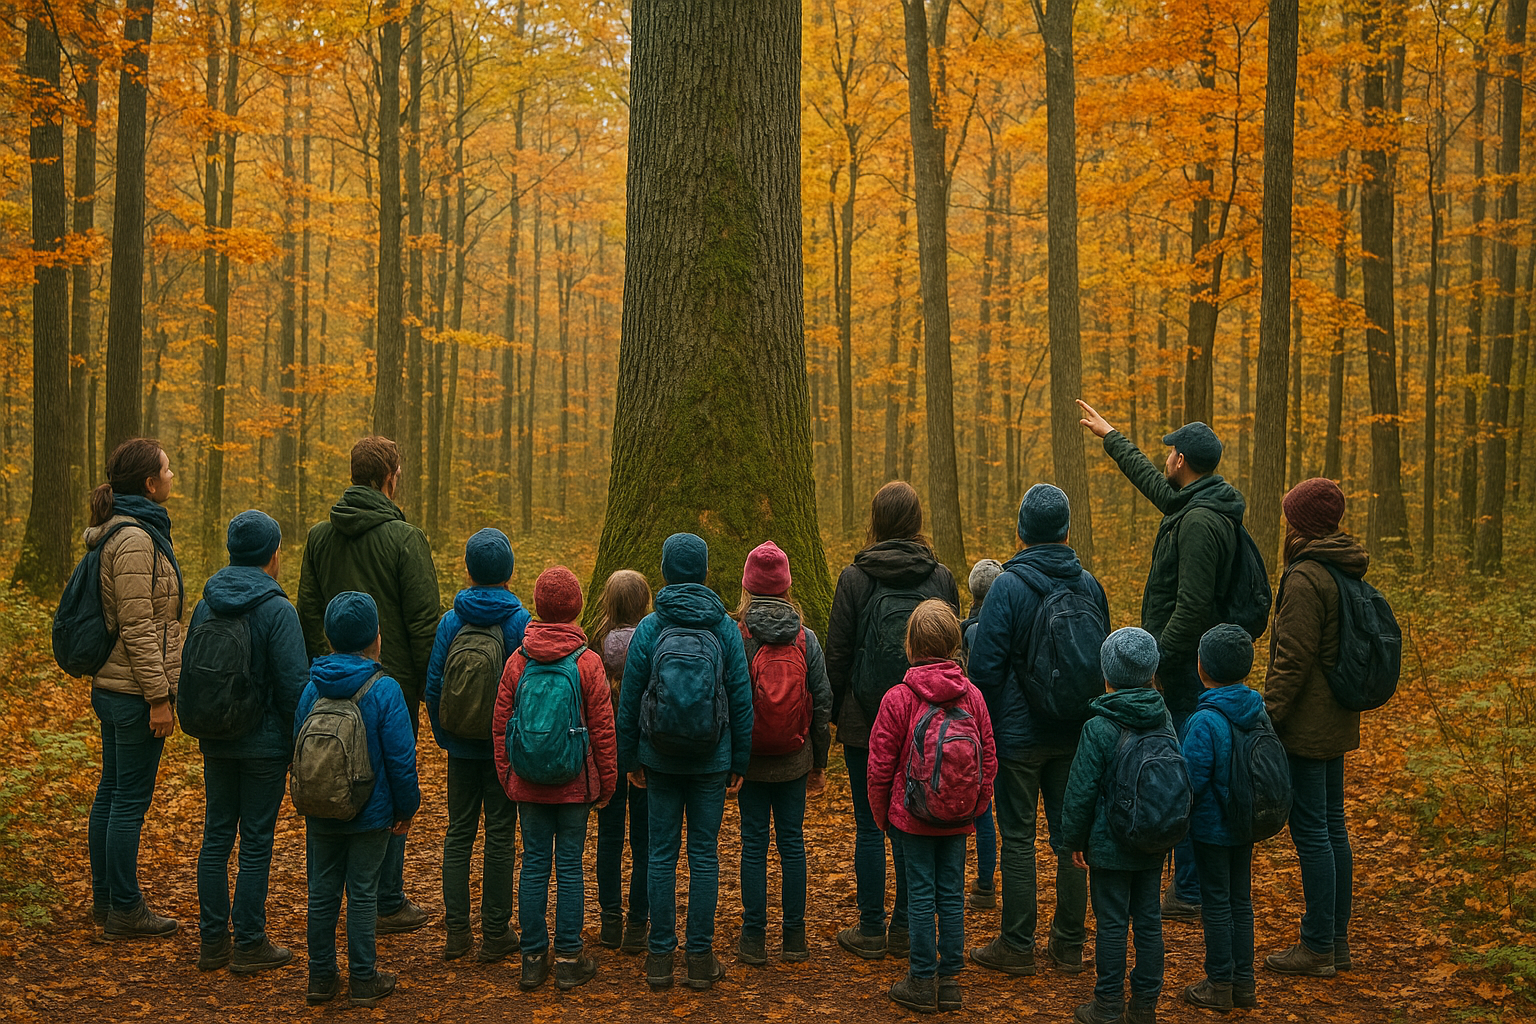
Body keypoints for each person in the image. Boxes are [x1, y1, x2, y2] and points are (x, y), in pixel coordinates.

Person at [1077, 401, 1246, 921]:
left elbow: (1192, 608)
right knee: (1184, 769)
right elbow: (1156, 487)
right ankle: (1189, 885)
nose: (1165, 458)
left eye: (1170, 452)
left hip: (1185, 671)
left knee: (1183, 774)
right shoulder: (1197, 501)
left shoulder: (1198, 523)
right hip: (1184, 666)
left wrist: (1156, 663)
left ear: (1181, 460)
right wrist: (1111, 437)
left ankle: (1189, 889)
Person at [297, 435, 440, 935]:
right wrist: (427, 693)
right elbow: (424, 623)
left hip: (327, 685)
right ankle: (386, 899)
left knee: (331, 773)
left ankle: (336, 894)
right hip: (390, 688)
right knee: (389, 785)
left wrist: (318, 674)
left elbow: (308, 612)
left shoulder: (319, 537)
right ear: (389, 478)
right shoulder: (407, 540)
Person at [969, 484, 1109, 977]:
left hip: (1018, 736)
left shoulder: (1007, 588)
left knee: (1018, 838)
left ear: (1021, 532)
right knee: (1071, 839)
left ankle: (1016, 944)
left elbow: (984, 670)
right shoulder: (1090, 586)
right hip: (1075, 733)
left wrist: (991, 728)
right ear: (1066, 531)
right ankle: (1069, 944)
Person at [827, 481, 961, 960]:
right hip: (928, 720)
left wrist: (836, 712)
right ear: (917, 521)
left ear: (876, 521)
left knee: (870, 827)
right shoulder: (940, 577)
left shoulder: (854, 578)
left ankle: (870, 928)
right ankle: (906, 926)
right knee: (913, 825)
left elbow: (838, 653)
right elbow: (952, 649)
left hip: (865, 720)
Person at [615, 533, 753, 992]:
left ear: (665, 572)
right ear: (705, 572)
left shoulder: (652, 627)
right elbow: (741, 698)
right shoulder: (724, 628)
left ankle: (659, 959)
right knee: (704, 856)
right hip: (712, 759)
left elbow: (630, 697)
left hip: (659, 756)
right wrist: (739, 760)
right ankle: (699, 958)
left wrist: (630, 757)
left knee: (660, 854)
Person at [188, 510, 307, 973]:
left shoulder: (206, 604)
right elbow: (294, 687)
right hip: (264, 745)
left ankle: (212, 942)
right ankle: (250, 943)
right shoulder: (277, 610)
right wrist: (296, 746)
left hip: (216, 737)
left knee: (216, 836)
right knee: (255, 841)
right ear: (273, 555)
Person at [867, 600, 997, 1014]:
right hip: (958, 815)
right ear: (954, 645)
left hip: (912, 816)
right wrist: (976, 806)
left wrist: (882, 814)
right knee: (951, 894)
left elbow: (879, 764)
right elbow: (989, 758)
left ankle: (922, 980)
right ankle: (950, 981)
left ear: (910, 646)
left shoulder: (899, 698)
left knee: (920, 894)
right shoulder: (973, 696)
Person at [492, 567, 617, 992]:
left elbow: (501, 725)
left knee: (533, 866)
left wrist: (508, 775)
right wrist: (606, 783)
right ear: (577, 607)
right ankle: (567, 958)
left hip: (528, 783)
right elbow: (603, 730)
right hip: (575, 785)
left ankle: (531, 959)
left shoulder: (518, 661)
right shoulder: (587, 663)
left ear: (538, 606)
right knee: (569, 867)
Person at [295, 592, 421, 1008]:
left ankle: (320, 977)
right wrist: (406, 809)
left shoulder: (311, 688)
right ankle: (363, 978)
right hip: (371, 812)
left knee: (322, 892)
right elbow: (401, 760)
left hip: (322, 809)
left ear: (329, 638)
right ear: (376, 639)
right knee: (363, 893)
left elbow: (297, 748)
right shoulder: (384, 690)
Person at [1263, 478, 1365, 978]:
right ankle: (1336, 941)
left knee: (1313, 831)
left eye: (1290, 517)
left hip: (1307, 724)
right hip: (1336, 717)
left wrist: (1267, 716)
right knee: (1332, 825)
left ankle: (1318, 943)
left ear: (1301, 523)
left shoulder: (1306, 576)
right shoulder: (1344, 566)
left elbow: (1292, 659)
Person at [84, 437, 184, 939]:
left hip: (116, 685)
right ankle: (124, 908)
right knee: (127, 801)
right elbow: (138, 626)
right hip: (131, 693)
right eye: (166, 470)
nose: (172, 476)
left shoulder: (127, 530)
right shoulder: (136, 539)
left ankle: (106, 901)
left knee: (112, 792)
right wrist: (159, 698)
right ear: (149, 483)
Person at [424, 528, 530, 964]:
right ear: (509, 573)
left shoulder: (452, 621)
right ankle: (496, 932)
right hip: (502, 751)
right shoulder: (519, 623)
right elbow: (527, 687)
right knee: (501, 836)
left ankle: (456, 933)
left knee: (459, 834)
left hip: (461, 748)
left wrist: (446, 736)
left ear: (468, 571)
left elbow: (434, 685)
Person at [1062, 627, 1173, 1024]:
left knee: (1111, 924)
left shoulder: (1098, 727)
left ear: (1106, 675)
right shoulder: (1164, 717)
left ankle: (1108, 1003)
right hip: (1153, 836)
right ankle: (1145, 1005)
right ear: (1151, 673)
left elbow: (1081, 790)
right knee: (1149, 920)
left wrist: (1073, 839)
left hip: (1110, 844)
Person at [734, 541, 832, 966]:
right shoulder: (805, 639)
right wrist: (819, 762)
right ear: (787, 587)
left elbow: (731, 701)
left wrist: (734, 760)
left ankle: (753, 937)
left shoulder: (739, 636)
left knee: (753, 846)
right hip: (795, 759)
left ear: (748, 587)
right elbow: (822, 701)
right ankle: (794, 938)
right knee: (792, 845)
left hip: (752, 763)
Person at [1181, 624, 1266, 1011]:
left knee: (1216, 903)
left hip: (1212, 828)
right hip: (1246, 821)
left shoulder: (1205, 720)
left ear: (1202, 667)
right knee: (1240, 901)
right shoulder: (1258, 711)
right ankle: (1244, 983)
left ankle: (1219, 983)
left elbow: (1192, 780)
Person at [593, 570, 653, 955]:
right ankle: (637, 923)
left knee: (609, 838)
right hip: (645, 756)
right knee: (645, 841)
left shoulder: (595, 646)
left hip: (606, 756)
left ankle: (610, 921)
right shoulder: (653, 641)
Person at [960, 558, 1001, 911]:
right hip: (1001, 727)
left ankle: (981, 883)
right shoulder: (1006, 626)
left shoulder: (967, 632)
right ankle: (985, 881)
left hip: (970, 730)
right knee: (988, 808)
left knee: (977, 808)